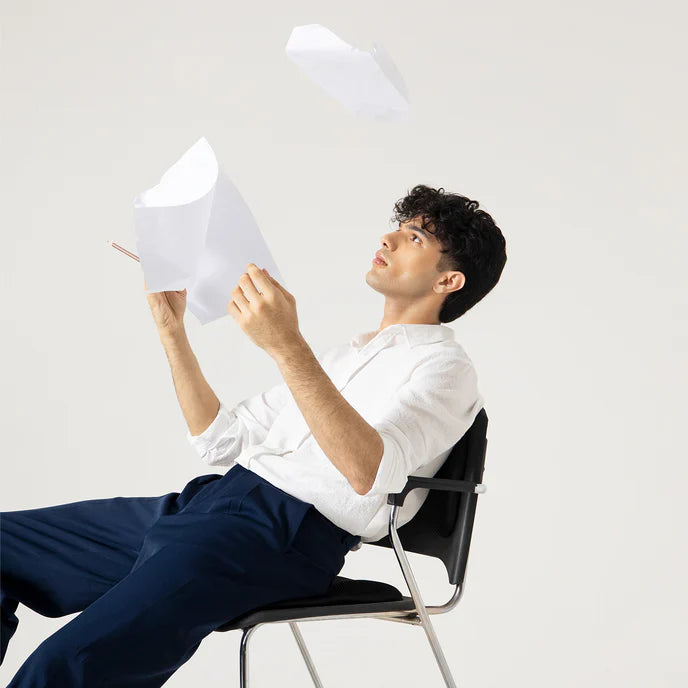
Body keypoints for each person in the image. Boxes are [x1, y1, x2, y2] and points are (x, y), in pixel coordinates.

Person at [0, 184, 507, 686]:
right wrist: (172, 331)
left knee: (63, 667)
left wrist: (287, 346)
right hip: (211, 505)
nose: (389, 239)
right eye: (398, 228)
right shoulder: (344, 357)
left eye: (415, 238)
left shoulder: (445, 368)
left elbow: (370, 474)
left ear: (449, 280)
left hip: (280, 536)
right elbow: (221, 440)